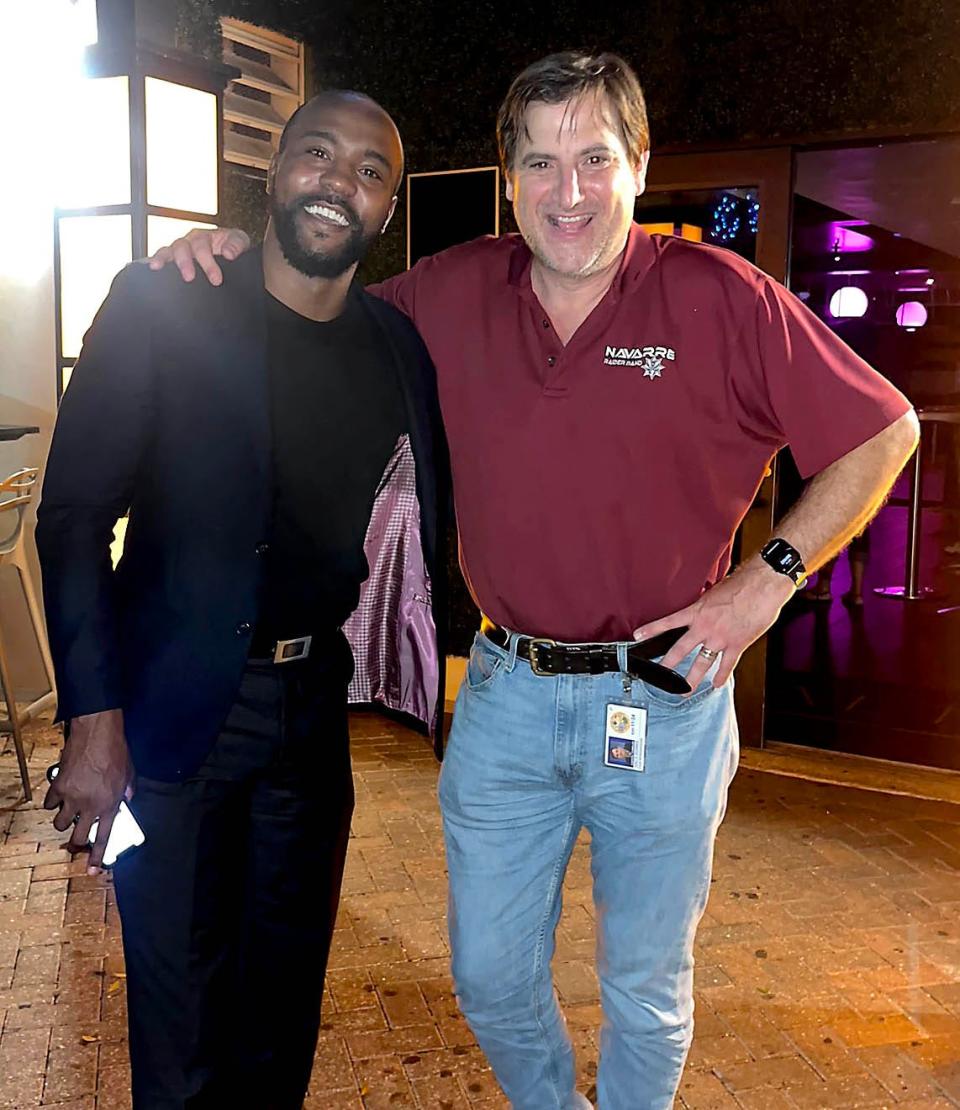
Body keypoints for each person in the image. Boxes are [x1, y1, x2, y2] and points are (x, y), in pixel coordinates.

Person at [152, 52, 918, 1110]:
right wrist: (227, 258)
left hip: (666, 694)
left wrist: (767, 582)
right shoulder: (452, 292)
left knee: (644, 985)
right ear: (509, 178)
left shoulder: (720, 298)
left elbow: (886, 431)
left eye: (595, 158)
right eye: (541, 163)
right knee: (489, 975)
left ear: (638, 166)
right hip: (506, 693)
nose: (569, 192)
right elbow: (314, 318)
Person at [37, 90, 447, 1110]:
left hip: (310, 731)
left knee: (280, 1021)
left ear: (388, 210)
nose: (337, 182)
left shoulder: (399, 352)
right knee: (178, 1031)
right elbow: (74, 516)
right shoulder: (165, 301)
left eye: (367, 171)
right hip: (171, 727)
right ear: (275, 168)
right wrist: (93, 722)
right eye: (318, 153)